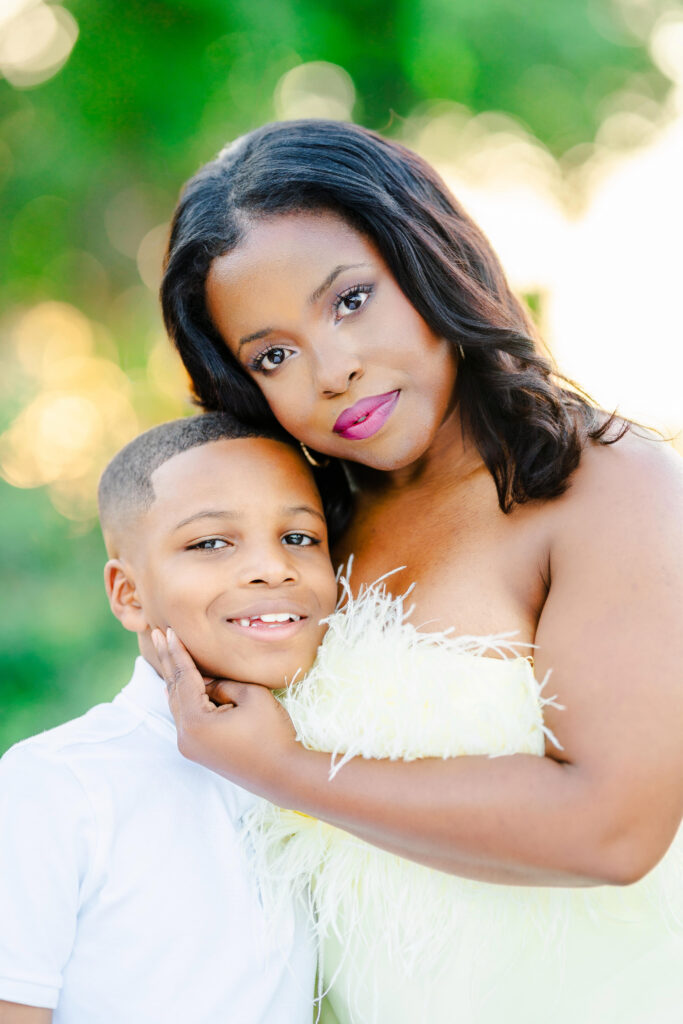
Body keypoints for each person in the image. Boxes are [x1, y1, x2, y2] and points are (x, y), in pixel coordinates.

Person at [157, 120, 683, 1023]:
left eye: (351, 300)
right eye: (273, 355)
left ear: (430, 257)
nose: (334, 371)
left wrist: (289, 769)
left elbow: (614, 826)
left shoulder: (605, 484)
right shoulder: (302, 533)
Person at [0, 411, 342, 1024]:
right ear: (129, 594)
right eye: (211, 543)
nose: (274, 567)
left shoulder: (339, 761)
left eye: (300, 538)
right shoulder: (56, 784)